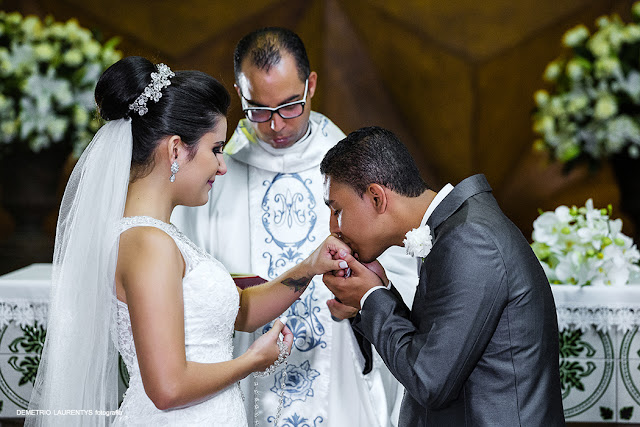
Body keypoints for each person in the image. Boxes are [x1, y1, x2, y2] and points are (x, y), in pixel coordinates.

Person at [26, 56, 351, 427]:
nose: (222, 166)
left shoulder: (159, 235)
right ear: (176, 149)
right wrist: (252, 361)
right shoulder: (148, 244)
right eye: (216, 149)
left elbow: (239, 312)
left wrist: (310, 266)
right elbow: (167, 388)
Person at [172, 28, 418, 426]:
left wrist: (367, 297)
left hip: (338, 365)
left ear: (311, 85)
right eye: (259, 110)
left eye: (290, 106)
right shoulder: (212, 175)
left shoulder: (354, 166)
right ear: (240, 94)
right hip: (245, 368)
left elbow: (403, 270)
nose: (276, 125)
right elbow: (186, 280)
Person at [321, 127, 565, 426]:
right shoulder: (457, 229)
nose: (333, 227)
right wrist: (378, 292)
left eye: (337, 210)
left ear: (376, 197)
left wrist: (370, 298)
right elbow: (436, 347)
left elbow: (429, 381)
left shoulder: (470, 239)